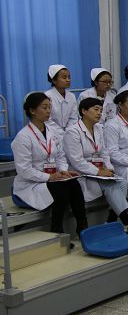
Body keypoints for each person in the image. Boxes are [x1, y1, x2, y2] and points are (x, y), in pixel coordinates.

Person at [11, 92, 87, 234]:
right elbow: (24, 170)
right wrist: (49, 177)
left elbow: (60, 156)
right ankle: (57, 231)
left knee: (73, 183)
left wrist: (63, 170)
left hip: (52, 178)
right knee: (60, 188)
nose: (48, 111)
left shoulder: (52, 131)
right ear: (32, 110)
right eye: (44, 107)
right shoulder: (23, 137)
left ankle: (83, 228)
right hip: (31, 184)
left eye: (50, 107)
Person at [63, 97, 128, 225]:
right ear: (84, 111)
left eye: (101, 110)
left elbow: (104, 152)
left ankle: (112, 219)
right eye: (96, 109)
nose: (99, 113)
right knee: (110, 185)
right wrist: (98, 172)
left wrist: (108, 168)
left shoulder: (99, 128)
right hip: (82, 173)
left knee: (122, 182)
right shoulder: (72, 132)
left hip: (98, 170)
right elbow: (77, 161)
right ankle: (126, 220)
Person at [44, 64, 78, 141]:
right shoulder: (47, 96)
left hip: (70, 133)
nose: (68, 80)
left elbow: (73, 118)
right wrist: (61, 133)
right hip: (51, 133)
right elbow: (47, 120)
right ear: (54, 80)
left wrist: (68, 132)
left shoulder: (71, 96)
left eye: (69, 77)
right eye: (64, 77)